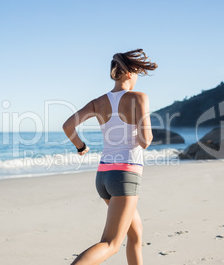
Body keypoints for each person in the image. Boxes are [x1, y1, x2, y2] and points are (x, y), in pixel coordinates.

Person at [62, 49, 158, 265]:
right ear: (130, 72)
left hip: (104, 177)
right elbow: (146, 140)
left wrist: (81, 146)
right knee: (111, 243)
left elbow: (68, 126)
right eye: (137, 74)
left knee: (135, 232)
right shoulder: (139, 98)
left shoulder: (98, 102)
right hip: (125, 175)